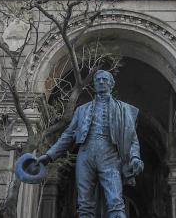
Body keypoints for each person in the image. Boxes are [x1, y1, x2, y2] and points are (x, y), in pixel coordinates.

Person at [38, 70, 143, 218]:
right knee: (84, 204)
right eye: (98, 79)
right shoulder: (82, 110)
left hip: (110, 155)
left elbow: (132, 138)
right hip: (85, 155)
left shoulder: (124, 110)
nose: (101, 82)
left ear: (111, 84)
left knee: (115, 201)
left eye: (105, 79)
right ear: (94, 84)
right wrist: (49, 156)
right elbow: (67, 136)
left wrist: (135, 157)